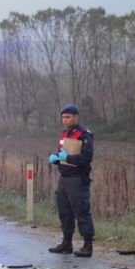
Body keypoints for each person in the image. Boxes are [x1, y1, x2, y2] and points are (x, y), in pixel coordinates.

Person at [48, 105, 95, 257]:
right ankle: (67, 243)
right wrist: (56, 159)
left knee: (81, 212)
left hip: (77, 179)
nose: (65, 120)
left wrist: (66, 158)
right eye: (63, 117)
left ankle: (87, 246)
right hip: (64, 178)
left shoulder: (84, 135)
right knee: (65, 212)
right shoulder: (65, 134)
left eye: (68, 117)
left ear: (76, 117)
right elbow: (63, 154)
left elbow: (86, 159)